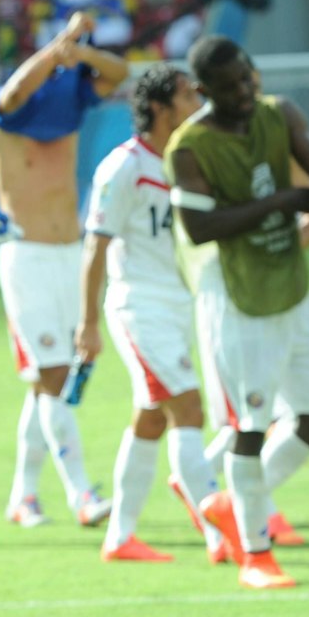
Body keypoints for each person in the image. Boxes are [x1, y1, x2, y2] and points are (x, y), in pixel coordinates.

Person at [166, 34, 309, 591]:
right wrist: (283, 202)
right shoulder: (188, 147)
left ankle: (227, 504)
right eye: (229, 85)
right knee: (249, 427)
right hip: (235, 298)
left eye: (248, 78)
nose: (244, 91)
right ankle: (255, 555)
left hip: (289, 284)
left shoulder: (278, 114)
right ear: (201, 90)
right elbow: (200, 227)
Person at [75, 63, 232, 565]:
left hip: (180, 304)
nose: (198, 105)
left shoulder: (186, 161)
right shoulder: (123, 166)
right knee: (188, 408)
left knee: (150, 419)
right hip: (138, 308)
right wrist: (88, 323)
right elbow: (94, 248)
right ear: (162, 107)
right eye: (188, 96)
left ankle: (121, 536)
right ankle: (217, 528)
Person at [0, 11, 127, 528]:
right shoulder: (5, 118)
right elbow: (16, 92)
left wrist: (82, 53)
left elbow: (120, 74)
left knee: (48, 383)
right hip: (27, 259)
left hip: (71, 254)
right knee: (53, 375)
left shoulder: (69, 104)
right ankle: (81, 494)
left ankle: (23, 496)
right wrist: (59, 46)